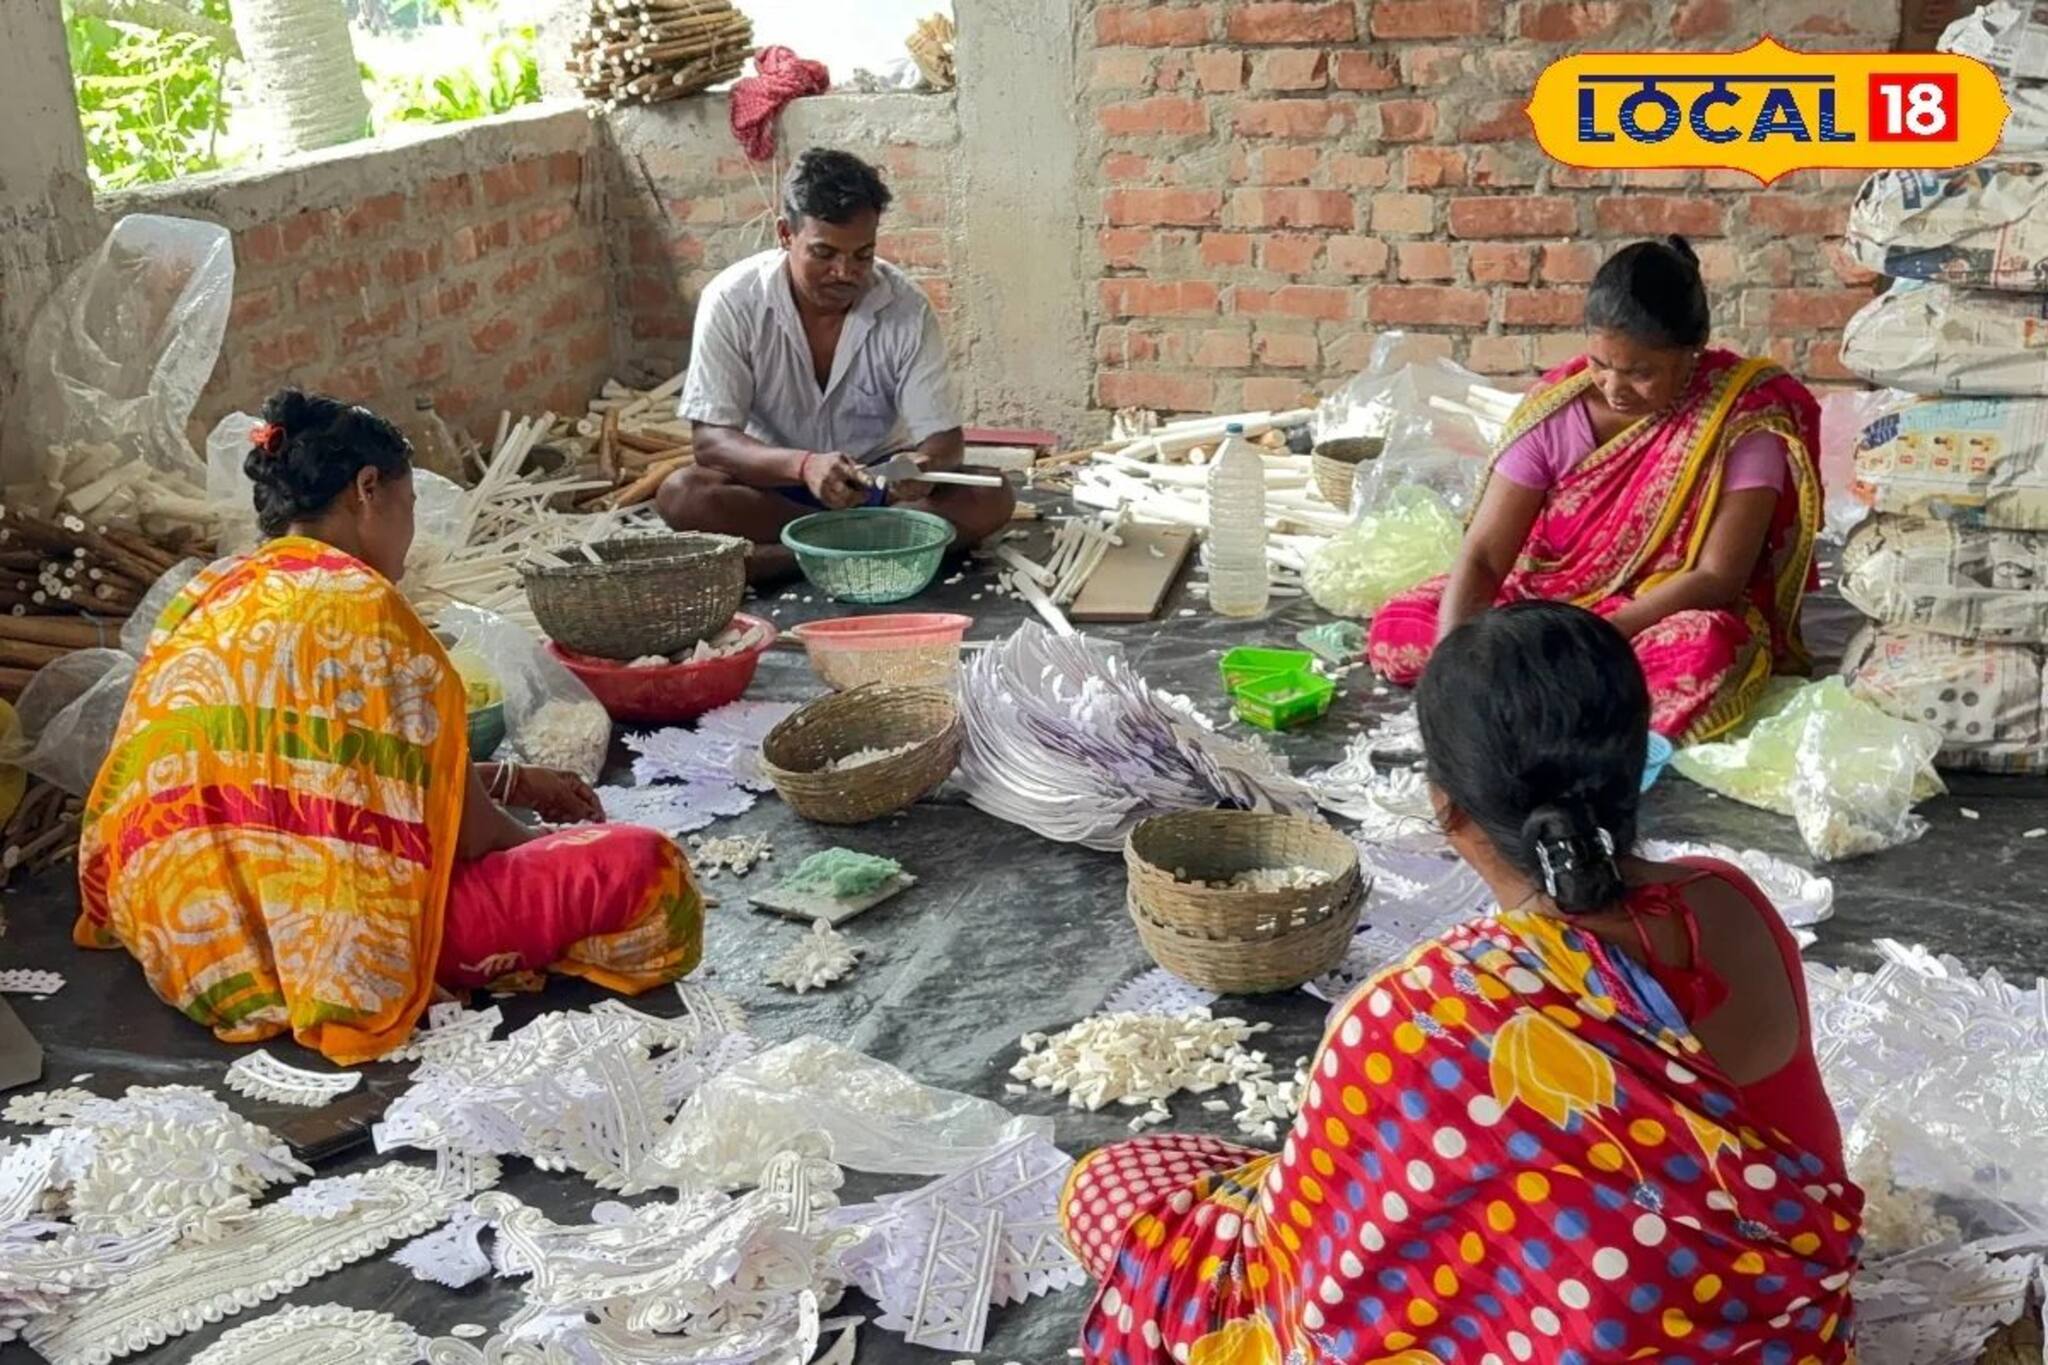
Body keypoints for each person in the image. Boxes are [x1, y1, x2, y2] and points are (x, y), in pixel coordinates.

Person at [1061, 602, 1860, 1365]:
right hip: (1778, 1330)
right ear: (1634, 765)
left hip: (1584, 1328)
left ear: (1446, 807)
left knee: (1113, 1185)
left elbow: (1316, 1277)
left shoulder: (1411, 1017)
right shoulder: (1729, 896)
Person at [76, 389, 704, 1066]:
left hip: (179, 936)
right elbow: (470, 837)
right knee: (643, 867)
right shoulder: (363, 606)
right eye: (410, 505)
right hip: (313, 951)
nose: (413, 530)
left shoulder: (213, 590)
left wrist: (510, 779)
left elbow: (307, 772)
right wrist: (547, 842)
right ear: (368, 489)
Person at [1366, 236, 1822, 742]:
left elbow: (1718, 576)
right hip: (1544, 601)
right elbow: (1486, 557)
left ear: (1693, 351)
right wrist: (1454, 664)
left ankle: (1527, 697)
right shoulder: (1556, 412)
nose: (1614, 387)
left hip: (1650, 615)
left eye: (1642, 372)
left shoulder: (1740, 419)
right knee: (1402, 625)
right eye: (1600, 364)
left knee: (1703, 652)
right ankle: (1563, 700)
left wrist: (1594, 638)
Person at [658, 147, 1014, 581]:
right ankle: (878, 548)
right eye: (824, 253)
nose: (845, 272)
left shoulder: (906, 308)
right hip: (775, 490)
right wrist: (804, 465)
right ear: (785, 234)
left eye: (862, 255)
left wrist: (923, 467)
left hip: (878, 491)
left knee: (992, 495)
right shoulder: (733, 300)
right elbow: (712, 442)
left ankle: (796, 558)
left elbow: (945, 440)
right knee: (683, 495)